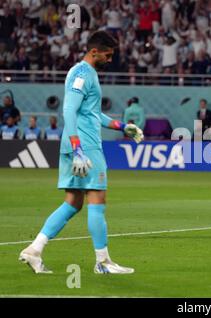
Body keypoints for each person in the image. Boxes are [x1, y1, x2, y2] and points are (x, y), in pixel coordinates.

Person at [19, 31, 144, 274]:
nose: (109, 60)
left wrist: (121, 126)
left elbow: (92, 113)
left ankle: (34, 250)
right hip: (84, 147)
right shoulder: (82, 74)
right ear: (94, 51)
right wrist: (78, 148)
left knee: (73, 202)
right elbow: (69, 110)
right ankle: (103, 262)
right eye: (107, 55)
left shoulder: (87, 74)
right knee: (97, 200)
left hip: (77, 145)